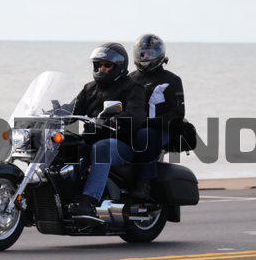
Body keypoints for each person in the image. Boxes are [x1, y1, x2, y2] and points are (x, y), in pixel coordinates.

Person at [70, 42, 146, 216]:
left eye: (107, 65)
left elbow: (136, 115)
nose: (101, 69)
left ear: (119, 67)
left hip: (122, 145)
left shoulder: (133, 87)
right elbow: (72, 110)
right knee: (66, 144)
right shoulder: (89, 88)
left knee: (102, 148)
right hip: (91, 138)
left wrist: (115, 120)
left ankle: (89, 201)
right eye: (98, 65)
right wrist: (51, 114)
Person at [129, 34, 185, 199]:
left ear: (159, 54)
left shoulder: (172, 80)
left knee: (144, 135)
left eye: (150, 53)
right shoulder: (130, 79)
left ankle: (144, 183)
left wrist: (151, 123)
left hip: (161, 130)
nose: (145, 57)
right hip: (135, 128)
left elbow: (178, 113)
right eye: (142, 53)